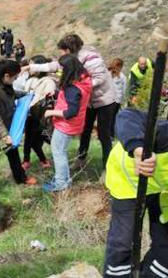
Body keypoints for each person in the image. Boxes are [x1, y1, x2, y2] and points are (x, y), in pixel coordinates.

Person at [103, 108, 168, 278]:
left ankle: (149, 274)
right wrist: (138, 149)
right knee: (123, 242)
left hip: (166, 190)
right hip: (130, 180)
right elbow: (126, 115)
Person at [26, 33, 116, 169]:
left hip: (104, 100)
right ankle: (81, 159)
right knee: (85, 131)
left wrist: (77, 86)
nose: (60, 54)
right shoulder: (72, 59)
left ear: (69, 49)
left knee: (104, 134)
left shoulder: (92, 60)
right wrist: (32, 67)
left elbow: (100, 79)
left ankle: (107, 167)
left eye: (62, 50)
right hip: (87, 100)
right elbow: (55, 66)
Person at [42, 54, 92, 192]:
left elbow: (71, 112)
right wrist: (57, 94)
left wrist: (51, 113)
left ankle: (60, 184)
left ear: (68, 69)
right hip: (76, 123)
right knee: (61, 151)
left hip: (66, 125)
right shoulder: (84, 79)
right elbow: (74, 100)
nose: (60, 71)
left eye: (62, 68)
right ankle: (65, 180)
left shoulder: (73, 88)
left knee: (58, 152)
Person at [0, 59, 37, 185]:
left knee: (13, 154)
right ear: (6, 75)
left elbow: (13, 94)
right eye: (15, 77)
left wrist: (30, 95)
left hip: (7, 126)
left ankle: (21, 178)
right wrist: (4, 135)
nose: (16, 79)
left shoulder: (5, 85)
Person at [22, 55, 56, 170]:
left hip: (41, 117)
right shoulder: (29, 80)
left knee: (44, 139)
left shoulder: (48, 81)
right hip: (29, 115)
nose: (29, 68)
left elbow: (49, 98)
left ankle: (55, 155)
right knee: (29, 139)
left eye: (31, 65)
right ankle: (27, 160)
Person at [108, 58, 127, 139]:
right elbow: (124, 90)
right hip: (116, 100)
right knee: (113, 118)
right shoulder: (122, 77)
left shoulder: (107, 74)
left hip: (108, 99)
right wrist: (122, 101)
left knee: (108, 118)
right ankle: (111, 135)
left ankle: (108, 135)